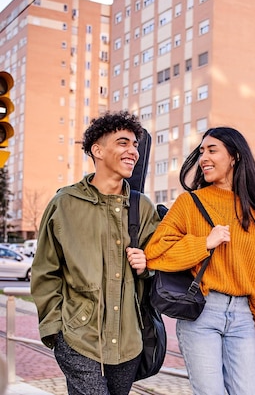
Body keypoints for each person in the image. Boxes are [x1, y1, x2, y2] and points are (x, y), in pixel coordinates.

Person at [145, 126, 255, 395]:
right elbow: (155, 253)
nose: (203, 158)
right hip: (201, 314)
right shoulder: (189, 203)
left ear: (234, 156)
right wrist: (204, 243)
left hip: (244, 318)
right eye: (201, 152)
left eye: (212, 150)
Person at [30, 111, 161, 395]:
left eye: (135, 144)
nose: (133, 151)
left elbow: (161, 265)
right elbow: (45, 271)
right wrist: (57, 330)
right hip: (78, 338)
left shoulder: (143, 207)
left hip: (128, 342)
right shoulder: (64, 204)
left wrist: (148, 264)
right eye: (123, 143)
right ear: (97, 150)